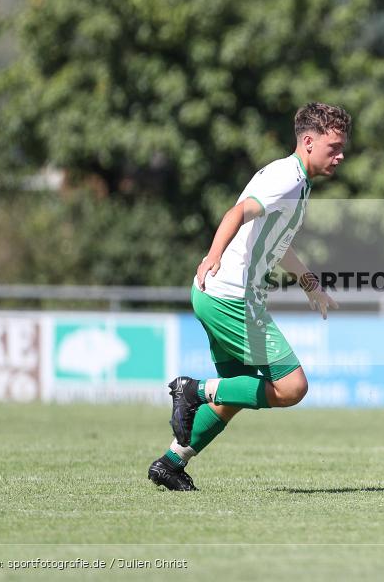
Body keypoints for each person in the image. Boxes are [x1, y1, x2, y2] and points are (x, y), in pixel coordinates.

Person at [148, 102, 350, 491]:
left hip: (217, 294)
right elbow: (236, 213)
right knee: (292, 387)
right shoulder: (287, 179)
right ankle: (191, 390)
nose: (340, 156)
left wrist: (309, 284)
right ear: (308, 142)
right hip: (231, 296)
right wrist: (212, 256)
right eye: (334, 147)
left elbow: (278, 242)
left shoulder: (296, 180)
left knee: (236, 391)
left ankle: (171, 463)